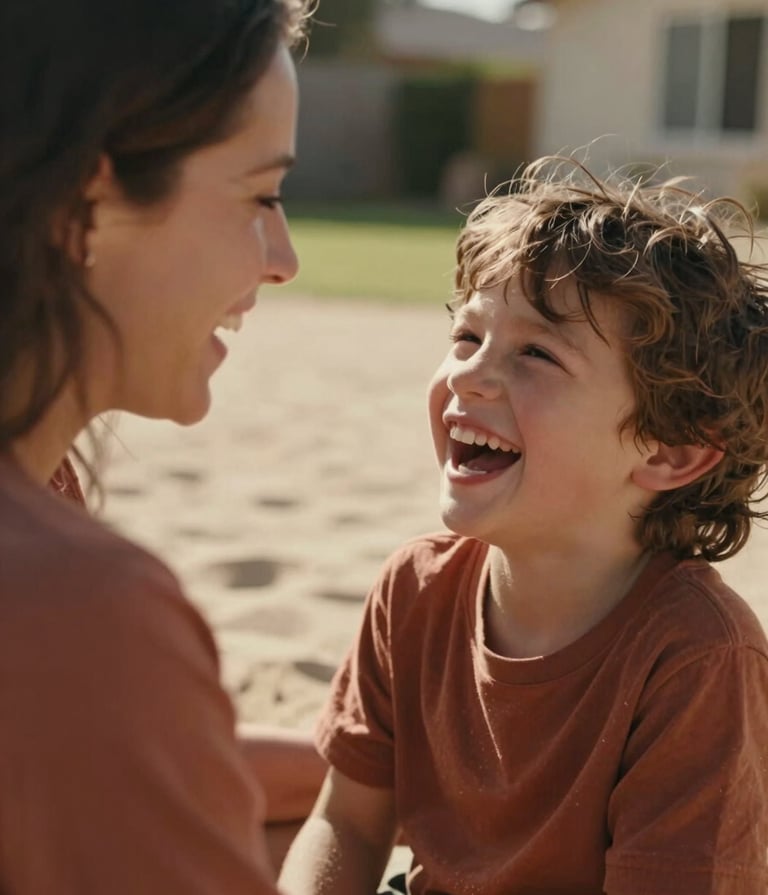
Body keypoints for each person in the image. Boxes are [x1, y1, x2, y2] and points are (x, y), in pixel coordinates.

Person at [279, 159, 768, 895]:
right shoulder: (414, 589)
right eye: (468, 336)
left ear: (672, 451)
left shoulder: (698, 657)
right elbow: (345, 822)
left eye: (536, 353)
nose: (470, 375)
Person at [0, 0, 328, 891]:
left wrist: (378, 772)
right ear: (86, 205)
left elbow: (96, 748)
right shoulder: (74, 598)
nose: (283, 257)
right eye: (260, 195)